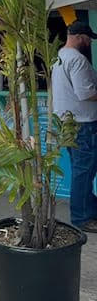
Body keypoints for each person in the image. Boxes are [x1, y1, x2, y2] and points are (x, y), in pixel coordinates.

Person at [52, 20, 97, 233]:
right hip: (83, 125)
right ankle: (82, 218)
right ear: (80, 37)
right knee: (84, 172)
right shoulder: (78, 60)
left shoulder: (59, 57)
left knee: (82, 171)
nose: (89, 43)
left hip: (67, 123)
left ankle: (89, 209)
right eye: (88, 39)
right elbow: (86, 93)